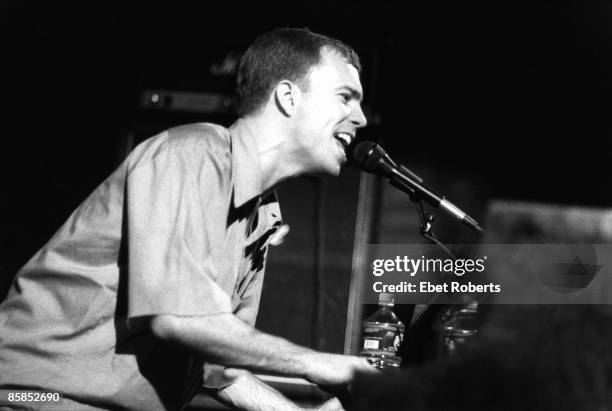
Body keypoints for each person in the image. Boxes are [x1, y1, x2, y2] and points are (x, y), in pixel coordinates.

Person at [0, 27, 372, 410]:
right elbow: (180, 318)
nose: (359, 118)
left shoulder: (261, 215)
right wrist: (319, 363)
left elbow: (218, 366)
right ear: (288, 97)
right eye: (345, 98)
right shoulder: (192, 154)